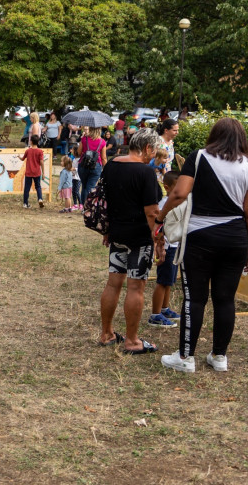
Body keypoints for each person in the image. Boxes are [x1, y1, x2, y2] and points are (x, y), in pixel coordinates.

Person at [156, 118, 248, 373]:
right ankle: (219, 356)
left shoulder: (199, 157)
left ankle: (185, 357)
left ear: (214, 135)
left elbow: (179, 193)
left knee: (195, 298)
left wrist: (160, 219)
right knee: (225, 299)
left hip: (200, 236)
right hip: (235, 238)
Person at [98, 128, 162, 354]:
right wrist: (158, 240)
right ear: (147, 147)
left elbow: (105, 201)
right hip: (140, 237)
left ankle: (107, 333)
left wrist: (107, 229)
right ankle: (132, 341)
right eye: (154, 151)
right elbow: (152, 212)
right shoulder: (145, 172)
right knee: (135, 287)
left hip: (117, 234)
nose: (154, 155)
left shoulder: (111, 165)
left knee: (113, 283)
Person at [149, 171, 182, 328]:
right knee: (162, 281)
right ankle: (155, 315)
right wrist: (159, 247)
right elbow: (159, 228)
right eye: (177, 187)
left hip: (175, 247)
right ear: (167, 187)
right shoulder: (164, 205)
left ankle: (165, 309)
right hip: (167, 248)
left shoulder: (178, 203)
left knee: (169, 281)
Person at [78, 126, 107, 204]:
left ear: (90, 129)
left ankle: (83, 205)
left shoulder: (84, 139)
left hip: (83, 165)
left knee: (84, 186)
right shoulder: (102, 142)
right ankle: (87, 206)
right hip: (96, 166)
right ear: (99, 130)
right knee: (90, 187)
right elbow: (104, 158)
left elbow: (79, 152)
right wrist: (106, 169)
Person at [19, 135, 45, 209]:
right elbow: (41, 162)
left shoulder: (28, 151)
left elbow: (22, 159)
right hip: (37, 172)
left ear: (31, 142)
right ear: (38, 142)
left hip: (28, 172)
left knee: (27, 188)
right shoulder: (40, 151)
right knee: (38, 187)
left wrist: (19, 157)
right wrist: (43, 172)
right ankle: (40, 199)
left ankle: (25, 203)